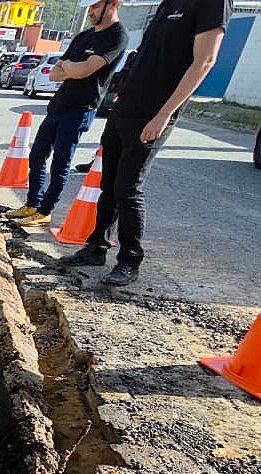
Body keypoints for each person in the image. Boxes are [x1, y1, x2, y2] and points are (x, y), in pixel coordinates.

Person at [60, 0, 232, 286]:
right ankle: (96, 247)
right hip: (125, 107)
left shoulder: (212, 3)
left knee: (128, 189)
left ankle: (129, 260)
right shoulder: (168, 3)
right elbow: (146, 56)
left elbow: (204, 61)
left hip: (154, 112)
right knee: (109, 184)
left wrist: (164, 114)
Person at [7, 0, 128, 227]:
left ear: (112, 4)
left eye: (95, 7)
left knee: (61, 163)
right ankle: (33, 203)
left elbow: (85, 71)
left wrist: (71, 68)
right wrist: (73, 69)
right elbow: (54, 74)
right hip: (59, 105)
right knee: (37, 155)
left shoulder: (117, 36)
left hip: (80, 109)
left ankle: (45, 211)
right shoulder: (84, 36)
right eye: (90, 7)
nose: (90, 12)